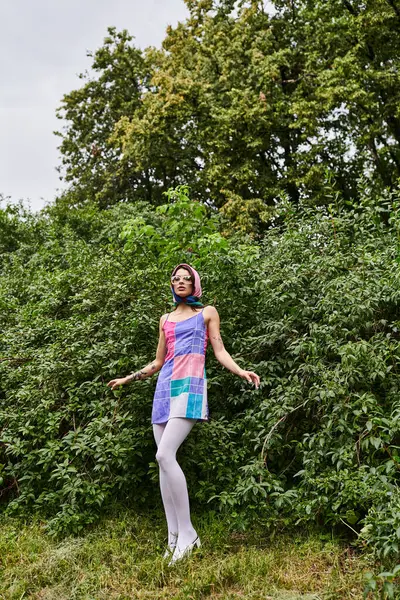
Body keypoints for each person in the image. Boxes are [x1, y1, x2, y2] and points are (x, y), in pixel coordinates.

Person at [107, 263, 260, 565]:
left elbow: (219, 351)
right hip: (164, 389)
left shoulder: (206, 313)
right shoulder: (164, 319)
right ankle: (173, 538)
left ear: (194, 285)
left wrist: (241, 371)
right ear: (172, 284)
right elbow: (157, 361)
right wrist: (128, 378)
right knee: (163, 464)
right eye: (176, 279)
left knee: (165, 456)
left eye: (186, 279)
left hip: (189, 386)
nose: (180, 282)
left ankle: (189, 534)